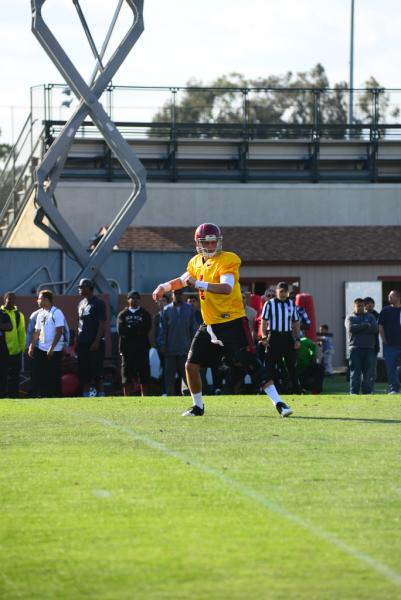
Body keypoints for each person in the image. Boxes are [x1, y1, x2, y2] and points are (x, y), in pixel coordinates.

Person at [152, 222, 293, 417]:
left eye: (213, 242)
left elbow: (226, 288)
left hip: (232, 322)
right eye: (207, 243)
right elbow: (183, 280)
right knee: (191, 365)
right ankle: (198, 406)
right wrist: (163, 287)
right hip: (210, 324)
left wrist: (199, 283)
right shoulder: (195, 262)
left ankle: (279, 403)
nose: (211, 247)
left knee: (251, 363)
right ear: (198, 244)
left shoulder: (228, 259)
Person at [261, 282, 301, 394]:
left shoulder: (292, 304)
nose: (283, 294)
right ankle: (272, 390)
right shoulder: (269, 304)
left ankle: (295, 390)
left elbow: (296, 322)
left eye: (285, 291)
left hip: (287, 336)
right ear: (277, 291)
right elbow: (263, 322)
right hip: (274, 336)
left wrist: (297, 339)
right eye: (281, 291)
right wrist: (264, 337)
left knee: (291, 365)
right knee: (270, 365)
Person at [28, 290, 67, 397]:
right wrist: (31, 345)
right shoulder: (41, 314)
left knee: (53, 375)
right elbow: (37, 332)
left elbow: (59, 331)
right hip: (41, 348)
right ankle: (42, 395)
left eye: (39, 298)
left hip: (54, 350)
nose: (37, 301)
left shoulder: (56, 312)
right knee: (40, 373)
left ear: (45, 299)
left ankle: (55, 395)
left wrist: (52, 347)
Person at [159, 289, 197, 396]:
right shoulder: (166, 310)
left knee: (187, 377)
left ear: (183, 295)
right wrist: (162, 346)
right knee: (169, 379)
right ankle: (170, 398)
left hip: (185, 350)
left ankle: (192, 399)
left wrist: (193, 347)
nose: (178, 295)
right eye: (176, 293)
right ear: (172, 295)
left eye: (180, 293)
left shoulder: (189, 309)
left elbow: (193, 328)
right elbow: (162, 330)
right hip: (170, 351)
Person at [117, 290, 152, 396]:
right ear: (128, 300)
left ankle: (144, 396)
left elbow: (146, 328)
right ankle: (127, 397)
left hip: (142, 348)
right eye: (132, 297)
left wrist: (131, 328)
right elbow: (121, 331)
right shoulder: (123, 314)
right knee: (127, 374)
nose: (134, 300)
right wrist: (137, 328)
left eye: (137, 298)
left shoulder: (145, 313)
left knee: (144, 373)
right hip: (127, 349)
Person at [77, 278, 107, 397]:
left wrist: (97, 341)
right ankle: (86, 396)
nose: (80, 289)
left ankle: (101, 394)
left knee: (97, 372)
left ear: (89, 288)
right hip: (82, 343)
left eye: (82, 287)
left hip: (94, 343)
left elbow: (102, 324)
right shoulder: (81, 303)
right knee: (84, 372)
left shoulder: (98, 303)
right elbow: (79, 323)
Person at [344, 298, 378, 395]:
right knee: (355, 373)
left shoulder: (370, 316)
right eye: (358, 306)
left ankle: (367, 393)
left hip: (369, 348)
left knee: (368, 373)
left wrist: (359, 327)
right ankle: (354, 392)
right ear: (354, 306)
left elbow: (375, 329)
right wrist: (366, 325)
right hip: (355, 348)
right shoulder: (350, 317)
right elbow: (350, 328)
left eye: (362, 306)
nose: (361, 307)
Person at [1, 292, 26, 398]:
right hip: (3, 350)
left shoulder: (19, 314)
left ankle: (13, 396)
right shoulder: (1, 313)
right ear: (4, 299)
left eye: (13, 299)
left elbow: (21, 332)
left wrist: (22, 348)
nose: (11, 301)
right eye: (9, 299)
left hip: (15, 350)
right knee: (2, 375)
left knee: (15, 376)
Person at [378, 289, 401, 394]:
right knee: (391, 367)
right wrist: (384, 339)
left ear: (398, 297)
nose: (388, 298)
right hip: (390, 345)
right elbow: (380, 326)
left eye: (391, 296)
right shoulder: (385, 310)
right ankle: (394, 389)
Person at [363, 296, 380, 392]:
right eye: (367, 304)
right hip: (361, 346)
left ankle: (370, 389)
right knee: (362, 369)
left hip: (373, 346)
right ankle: (363, 388)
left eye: (371, 304)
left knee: (372, 369)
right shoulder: (360, 315)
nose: (369, 306)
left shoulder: (377, 315)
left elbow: (377, 329)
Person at [0, 308, 12, 398]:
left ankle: (3, 394)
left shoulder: (4, 315)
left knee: (3, 371)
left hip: (2, 348)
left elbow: (9, 326)